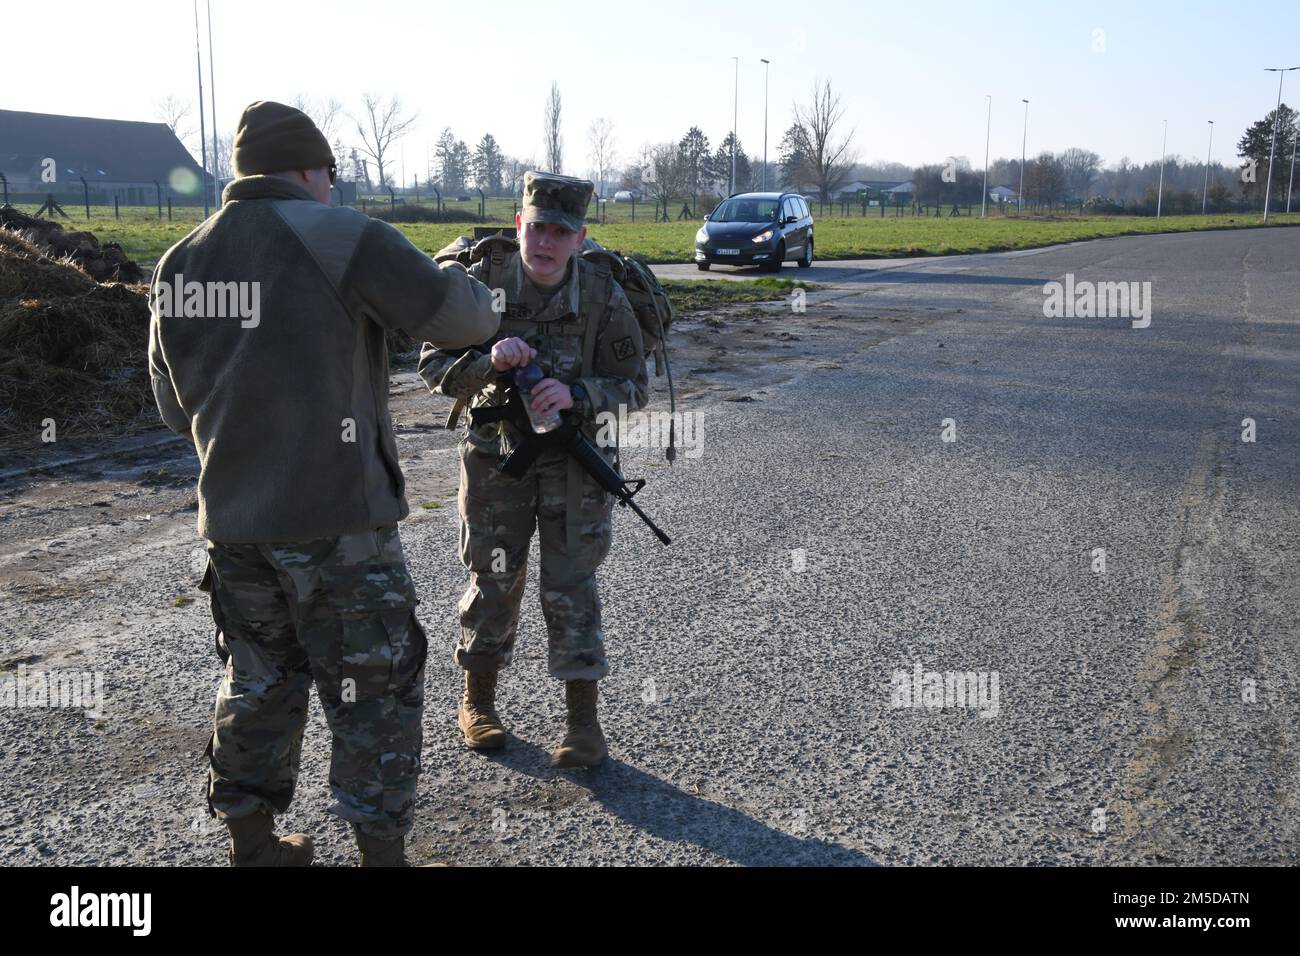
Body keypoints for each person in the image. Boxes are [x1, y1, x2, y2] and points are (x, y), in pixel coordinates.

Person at [147, 100, 500, 866]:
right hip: (339, 526)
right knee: (372, 689)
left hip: (234, 528)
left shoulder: (178, 263)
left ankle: (253, 842)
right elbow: (467, 322)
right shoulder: (346, 238)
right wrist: (447, 270)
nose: (333, 188)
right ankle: (381, 856)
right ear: (312, 170)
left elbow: (175, 410)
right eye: (331, 175)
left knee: (259, 681)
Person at [418, 171, 649, 768]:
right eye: (537, 227)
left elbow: (634, 387)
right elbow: (431, 364)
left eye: (561, 232)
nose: (545, 242)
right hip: (497, 461)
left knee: (571, 585)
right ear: (520, 225)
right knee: (493, 578)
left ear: (580, 237)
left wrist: (577, 395)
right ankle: (479, 702)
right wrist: (486, 362)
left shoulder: (602, 293)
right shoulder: (481, 281)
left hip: (577, 464)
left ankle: (582, 723)